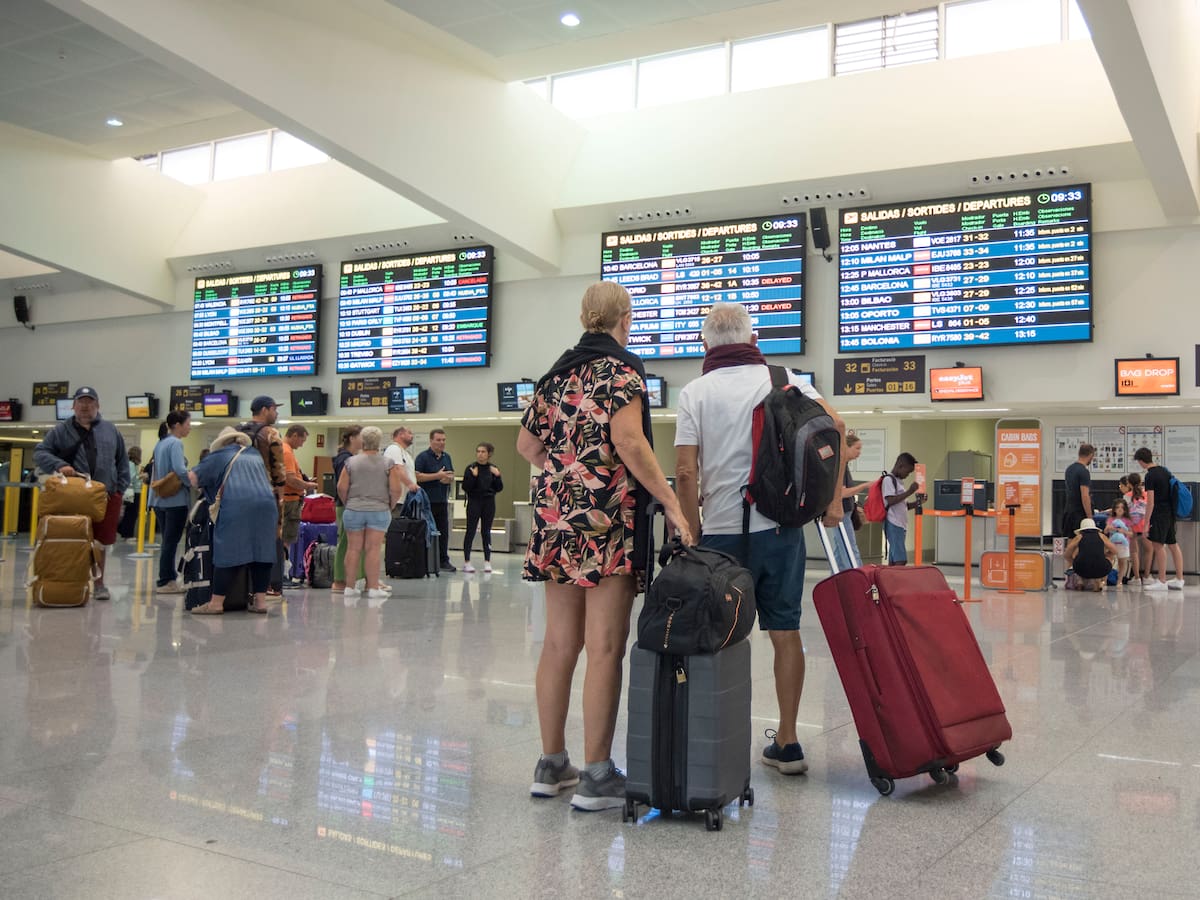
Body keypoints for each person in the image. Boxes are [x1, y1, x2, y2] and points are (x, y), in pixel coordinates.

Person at [520, 281, 693, 812]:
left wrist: (566, 475)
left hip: (556, 521)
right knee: (605, 647)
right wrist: (671, 502)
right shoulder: (621, 372)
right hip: (606, 522)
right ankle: (597, 774)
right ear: (626, 319)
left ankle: (552, 764)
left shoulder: (555, 376)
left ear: (583, 318)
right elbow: (629, 441)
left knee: (558, 644)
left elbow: (527, 445)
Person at [675, 301, 845, 778]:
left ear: (705, 344)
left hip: (720, 535)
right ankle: (788, 742)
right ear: (753, 340)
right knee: (785, 632)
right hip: (780, 529)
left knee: (714, 636)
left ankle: (713, 738)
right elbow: (836, 426)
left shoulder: (695, 392)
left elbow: (685, 472)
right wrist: (832, 502)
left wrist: (692, 533)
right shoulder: (785, 378)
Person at [33, 386, 129, 601]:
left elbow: (122, 460)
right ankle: (73, 581)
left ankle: (99, 583)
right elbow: (40, 452)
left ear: (97, 405)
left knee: (100, 542)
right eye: (81, 402)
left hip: (105, 495)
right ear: (73, 406)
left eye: (90, 402)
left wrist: (119, 490)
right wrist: (59, 464)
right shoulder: (61, 430)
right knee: (74, 538)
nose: (85, 407)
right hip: (74, 497)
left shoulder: (110, 430)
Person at [187, 427, 279, 615]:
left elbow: (192, 478)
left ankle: (216, 603)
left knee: (228, 551)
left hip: (237, 505)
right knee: (262, 553)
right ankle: (260, 602)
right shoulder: (254, 454)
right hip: (267, 506)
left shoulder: (219, 455)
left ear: (222, 443)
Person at [337, 426, 404, 602]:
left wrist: (349, 503)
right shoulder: (388, 463)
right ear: (379, 442)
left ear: (363, 441)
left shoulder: (350, 462)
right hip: (379, 510)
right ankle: (373, 588)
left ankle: (349, 587)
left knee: (353, 548)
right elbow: (396, 489)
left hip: (353, 509)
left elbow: (341, 487)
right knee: (373, 549)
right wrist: (389, 505)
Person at [239, 396, 288, 596]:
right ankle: (269, 585)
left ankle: (243, 584)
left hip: (239, 494)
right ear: (265, 410)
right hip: (266, 494)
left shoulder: (237, 431)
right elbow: (279, 470)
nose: (276, 413)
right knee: (271, 539)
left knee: (244, 538)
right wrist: (281, 497)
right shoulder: (270, 433)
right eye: (274, 409)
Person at [148, 410, 192, 593]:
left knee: (167, 541)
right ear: (177, 425)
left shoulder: (161, 443)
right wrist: (194, 482)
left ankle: (168, 577)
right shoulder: (175, 443)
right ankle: (166, 581)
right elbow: (180, 469)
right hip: (175, 501)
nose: (189, 427)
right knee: (171, 542)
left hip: (159, 500)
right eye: (188, 424)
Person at [1133, 447, 1186, 592]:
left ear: (1141, 461)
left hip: (1158, 514)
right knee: (1173, 544)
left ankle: (1162, 580)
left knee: (1158, 545)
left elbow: (1150, 502)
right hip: (1170, 512)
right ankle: (1179, 579)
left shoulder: (1150, 476)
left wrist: (1146, 523)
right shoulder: (1164, 471)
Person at [415, 428, 456, 572]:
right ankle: (424, 560)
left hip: (442, 501)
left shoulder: (447, 457)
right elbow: (417, 476)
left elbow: (450, 474)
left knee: (443, 532)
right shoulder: (422, 457)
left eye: (443, 440)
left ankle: (443, 560)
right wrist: (437, 476)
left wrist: (449, 478)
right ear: (431, 441)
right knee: (426, 532)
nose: (441, 443)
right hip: (426, 503)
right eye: (438, 440)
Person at [281, 424, 318, 579]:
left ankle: (281, 574)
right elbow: (290, 479)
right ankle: (282, 575)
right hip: (289, 501)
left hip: (286, 499)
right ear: (295, 435)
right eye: (302, 440)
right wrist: (307, 485)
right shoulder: (286, 452)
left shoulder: (283, 449)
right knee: (285, 540)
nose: (302, 444)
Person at [331, 425, 365, 593]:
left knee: (356, 543)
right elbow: (342, 485)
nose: (363, 440)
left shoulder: (351, 458)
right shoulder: (344, 459)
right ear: (352, 438)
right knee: (346, 542)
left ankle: (358, 577)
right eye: (361, 436)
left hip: (351, 504)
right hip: (347, 505)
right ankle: (339, 579)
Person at [826, 432, 868, 570]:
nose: (859, 452)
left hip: (846, 511)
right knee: (849, 547)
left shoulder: (844, 465)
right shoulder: (840, 466)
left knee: (840, 550)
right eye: (857, 448)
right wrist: (865, 486)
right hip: (841, 513)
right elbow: (842, 493)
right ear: (846, 447)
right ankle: (858, 576)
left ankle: (836, 578)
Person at [462, 442, 503, 573]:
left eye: (483, 452)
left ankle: (487, 561)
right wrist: (474, 477)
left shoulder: (493, 469)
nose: (480, 454)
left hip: (488, 502)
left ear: (489, 454)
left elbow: (499, 488)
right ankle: (467, 561)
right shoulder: (471, 468)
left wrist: (497, 476)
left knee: (486, 531)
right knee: (470, 531)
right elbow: (465, 487)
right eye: (478, 451)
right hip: (474, 501)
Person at [882, 452, 923, 565]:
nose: (908, 475)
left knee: (894, 559)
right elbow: (890, 501)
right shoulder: (888, 480)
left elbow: (903, 506)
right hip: (894, 524)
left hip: (900, 525)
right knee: (901, 560)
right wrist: (910, 491)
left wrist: (918, 503)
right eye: (908, 472)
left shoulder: (899, 482)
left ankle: (891, 576)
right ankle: (898, 576)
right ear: (901, 466)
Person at [1063, 518, 1117, 592]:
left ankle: (1080, 582)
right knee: (1110, 557)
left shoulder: (1079, 537)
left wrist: (1073, 562)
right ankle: (1100, 581)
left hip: (1081, 569)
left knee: (1077, 557)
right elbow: (1115, 551)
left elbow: (1066, 554)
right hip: (1102, 569)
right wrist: (1106, 555)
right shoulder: (1101, 536)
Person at [1062, 443, 1095, 538]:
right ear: (1091, 455)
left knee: (1070, 539)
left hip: (1069, 510)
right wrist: (1090, 517)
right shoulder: (1084, 472)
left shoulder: (1069, 469)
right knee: (1080, 540)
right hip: (1079, 513)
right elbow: (1085, 496)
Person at [383, 425, 419, 509]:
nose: (412, 436)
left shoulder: (406, 453)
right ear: (401, 434)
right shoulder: (393, 449)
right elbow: (397, 469)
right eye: (409, 433)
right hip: (397, 501)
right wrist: (410, 484)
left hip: (406, 500)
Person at [1126, 472, 1148, 583]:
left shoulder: (1127, 495)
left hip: (1132, 526)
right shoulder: (1146, 494)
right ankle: (1147, 576)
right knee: (1149, 550)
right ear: (1140, 482)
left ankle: (1137, 577)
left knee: (1134, 552)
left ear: (1129, 483)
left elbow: (1125, 513)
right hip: (1145, 525)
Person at [1105, 498, 1134, 584]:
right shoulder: (1110, 519)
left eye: (1122, 507)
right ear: (1114, 509)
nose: (1120, 509)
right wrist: (1109, 528)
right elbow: (1105, 531)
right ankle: (1105, 579)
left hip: (1124, 545)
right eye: (1117, 507)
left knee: (1122, 562)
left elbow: (1131, 534)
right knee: (1109, 561)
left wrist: (1123, 531)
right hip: (1112, 544)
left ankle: (1120, 580)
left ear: (1125, 510)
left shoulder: (1128, 520)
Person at [117, 446, 143, 540]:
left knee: (129, 513)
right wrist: (141, 477)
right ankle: (127, 534)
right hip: (133, 492)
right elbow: (131, 477)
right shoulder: (131, 465)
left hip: (130, 492)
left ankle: (123, 531)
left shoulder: (129, 463)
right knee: (132, 514)